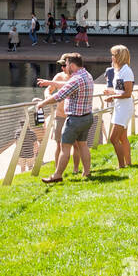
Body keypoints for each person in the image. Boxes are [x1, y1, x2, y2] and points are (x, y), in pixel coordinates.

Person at [34, 53, 95, 183]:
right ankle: (86, 172)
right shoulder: (87, 75)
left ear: (72, 65)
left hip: (75, 119)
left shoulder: (76, 79)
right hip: (87, 117)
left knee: (64, 147)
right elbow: (66, 86)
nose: (65, 67)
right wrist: (51, 83)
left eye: (66, 64)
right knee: (83, 145)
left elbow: (59, 96)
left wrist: (42, 103)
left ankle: (57, 175)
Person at [104, 45, 136, 168]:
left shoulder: (126, 71)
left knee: (113, 138)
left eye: (114, 55)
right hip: (120, 107)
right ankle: (128, 163)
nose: (112, 57)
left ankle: (121, 165)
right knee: (122, 137)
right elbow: (121, 90)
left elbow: (127, 93)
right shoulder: (119, 70)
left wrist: (112, 97)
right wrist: (112, 93)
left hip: (123, 109)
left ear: (119, 57)